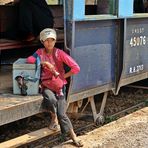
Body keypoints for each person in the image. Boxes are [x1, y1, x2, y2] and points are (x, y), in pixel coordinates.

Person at [27, 28, 83, 147]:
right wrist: (44, 63)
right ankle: (53, 118)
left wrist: (63, 77)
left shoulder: (59, 53)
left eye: (52, 40)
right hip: (46, 85)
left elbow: (76, 68)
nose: (49, 43)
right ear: (42, 41)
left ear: (55, 41)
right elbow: (30, 60)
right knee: (50, 99)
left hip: (59, 87)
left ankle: (74, 137)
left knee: (62, 113)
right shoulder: (40, 52)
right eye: (47, 40)